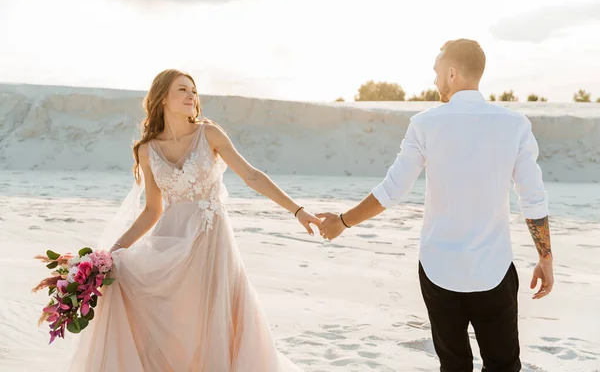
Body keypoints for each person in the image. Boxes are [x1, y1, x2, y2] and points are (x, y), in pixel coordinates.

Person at [317, 39, 554, 372]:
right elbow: (532, 197)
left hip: (438, 269)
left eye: (437, 72)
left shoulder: (425, 124)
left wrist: (342, 222)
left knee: (454, 366)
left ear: (453, 72)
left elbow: (392, 190)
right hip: (493, 269)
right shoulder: (514, 125)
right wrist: (545, 257)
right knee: (503, 366)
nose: (434, 81)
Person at [68, 69, 320, 371]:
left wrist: (298, 211)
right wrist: (109, 254)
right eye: (183, 90)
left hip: (212, 242)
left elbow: (252, 175)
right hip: (170, 243)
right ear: (163, 98)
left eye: (194, 91)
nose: (192, 96)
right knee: (172, 321)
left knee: (213, 322)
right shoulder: (147, 150)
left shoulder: (209, 134)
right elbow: (152, 210)